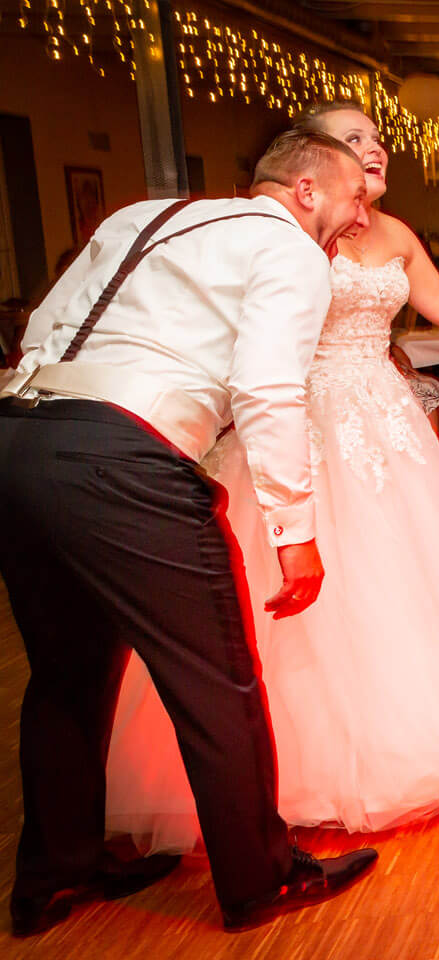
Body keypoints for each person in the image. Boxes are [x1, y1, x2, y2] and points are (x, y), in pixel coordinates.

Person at [104, 100, 439, 853]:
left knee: (409, 573)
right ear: (313, 164)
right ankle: (292, 769)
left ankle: (415, 736)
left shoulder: (396, 234)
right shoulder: (289, 236)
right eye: (354, 139)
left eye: (378, 138)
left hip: (385, 418)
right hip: (300, 416)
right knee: (294, 592)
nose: (376, 149)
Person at [0, 129, 378, 935]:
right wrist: (293, 530)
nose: (362, 214)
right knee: (219, 682)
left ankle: (51, 878)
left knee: (65, 673)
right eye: (356, 196)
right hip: (121, 459)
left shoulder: (139, 215)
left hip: (19, 436)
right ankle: (261, 879)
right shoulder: (290, 250)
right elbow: (268, 388)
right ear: (307, 190)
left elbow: (41, 325)